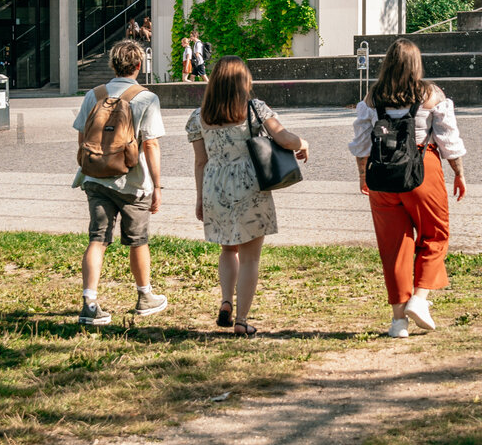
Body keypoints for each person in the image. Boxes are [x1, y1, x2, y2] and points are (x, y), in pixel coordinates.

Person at [350, 38, 466, 338]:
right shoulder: (431, 94)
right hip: (422, 170)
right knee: (435, 235)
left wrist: (363, 175)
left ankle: (398, 322)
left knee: (394, 247)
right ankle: (419, 297)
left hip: (382, 175)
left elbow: (361, 143)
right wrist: (458, 173)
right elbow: (448, 139)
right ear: (417, 64)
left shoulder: (372, 97)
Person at [187, 56, 308, 337]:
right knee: (250, 258)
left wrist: (200, 198)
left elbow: (200, 162)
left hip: (215, 186)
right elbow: (283, 138)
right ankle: (241, 320)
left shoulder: (198, 117)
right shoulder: (255, 108)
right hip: (249, 185)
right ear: (244, 81)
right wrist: (303, 143)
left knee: (228, 249)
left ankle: (226, 301)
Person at [73, 37, 167, 326]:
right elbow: (150, 144)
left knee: (97, 239)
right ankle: (144, 297)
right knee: (138, 240)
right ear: (138, 65)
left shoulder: (93, 95)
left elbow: (82, 138)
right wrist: (157, 186)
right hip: (133, 183)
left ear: (113, 65)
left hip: (95, 179)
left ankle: (90, 303)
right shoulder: (146, 98)